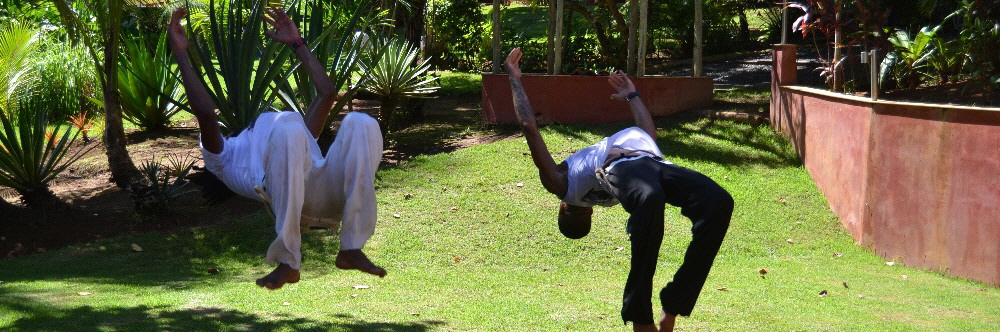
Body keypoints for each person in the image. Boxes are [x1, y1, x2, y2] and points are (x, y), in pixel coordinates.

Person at [503, 48, 733, 332]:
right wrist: (514, 77)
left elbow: (649, 136)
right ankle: (647, 315)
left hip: (650, 164)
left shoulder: (600, 194)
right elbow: (528, 126)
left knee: (714, 201)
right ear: (563, 206)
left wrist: (632, 96)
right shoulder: (562, 186)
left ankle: (671, 306)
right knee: (712, 201)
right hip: (637, 166)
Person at [167, 7, 387, 289]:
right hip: (293, 202)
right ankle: (288, 261)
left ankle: (351, 247)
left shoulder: (290, 141)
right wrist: (181, 54)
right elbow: (206, 114)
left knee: (361, 122)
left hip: (328, 191)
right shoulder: (223, 159)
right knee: (290, 128)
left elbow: (328, 93)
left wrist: (297, 43)